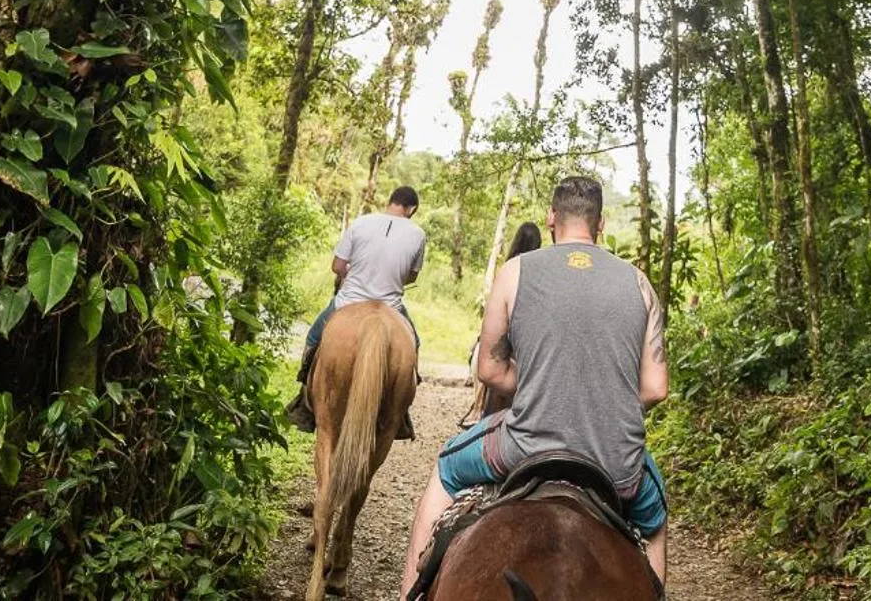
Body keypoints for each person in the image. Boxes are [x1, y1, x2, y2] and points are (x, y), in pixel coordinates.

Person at [400, 176, 669, 597]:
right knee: (654, 521)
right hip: (616, 460)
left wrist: (538, 383)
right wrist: (604, 396)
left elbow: (489, 370)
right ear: (601, 223)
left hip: (524, 445)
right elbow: (655, 389)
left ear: (551, 218)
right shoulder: (639, 284)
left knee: (445, 470)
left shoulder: (516, 271)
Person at [286, 184, 426, 435]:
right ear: (411, 208)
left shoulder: (361, 223)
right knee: (413, 342)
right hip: (391, 306)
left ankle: (304, 398)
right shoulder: (418, 234)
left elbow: (337, 266)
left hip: (348, 301)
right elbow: (411, 276)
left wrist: (354, 272)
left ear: (390, 201)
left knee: (314, 337)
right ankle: (400, 409)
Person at [461, 221, 544, 427]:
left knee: (482, 358)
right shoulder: (541, 273)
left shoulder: (507, 269)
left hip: (507, 333)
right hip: (530, 336)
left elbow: (495, 314)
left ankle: (479, 408)